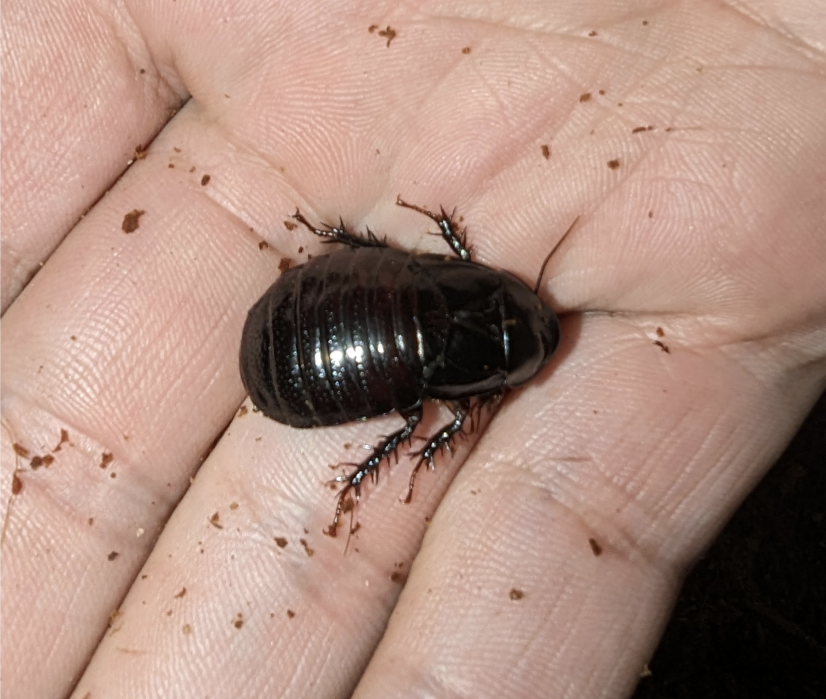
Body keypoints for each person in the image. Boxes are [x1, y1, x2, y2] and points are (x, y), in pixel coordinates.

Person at [1, 2, 824, 697]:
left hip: (334, 322)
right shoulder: (458, 365)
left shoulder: (447, 270)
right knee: (409, 412)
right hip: (325, 343)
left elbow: (417, 256)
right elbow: (428, 384)